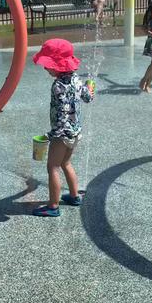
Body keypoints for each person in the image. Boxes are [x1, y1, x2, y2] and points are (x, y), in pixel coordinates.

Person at [32, 39, 94, 217]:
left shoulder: (58, 86)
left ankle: (53, 206)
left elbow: (61, 114)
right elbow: (88, 98)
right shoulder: (76, 79)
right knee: (66, 163)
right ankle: (74, 196)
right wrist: (90, 88)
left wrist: (50, 135)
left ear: (58, 66)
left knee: (52, 167)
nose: (45, 68)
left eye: (48, 65)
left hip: (62, 133)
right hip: (75, 132)